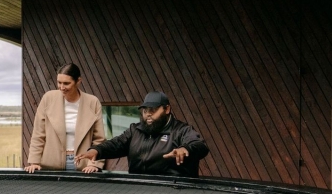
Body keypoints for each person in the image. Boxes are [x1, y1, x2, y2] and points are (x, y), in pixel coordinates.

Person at [76, 91, 209, 177]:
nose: (148, 114)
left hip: (172, 192)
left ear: (167, 109)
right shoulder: (135, 130)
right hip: (139, 190)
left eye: (153, 110)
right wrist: (96, 150)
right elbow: (116, 144)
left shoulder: (181, 130)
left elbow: (200, 146)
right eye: (145, 111)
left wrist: (185, 149)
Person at [24, 64, 105, 172]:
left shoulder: (92, 102)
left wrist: (93, 164)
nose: (62, 87)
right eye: (59, 82)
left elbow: (99, 139)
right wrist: (34, 162)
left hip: (83, 166)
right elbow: (38, 134)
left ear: (78, 81)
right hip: (50, 164)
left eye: (66, 83)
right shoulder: (48, 98)